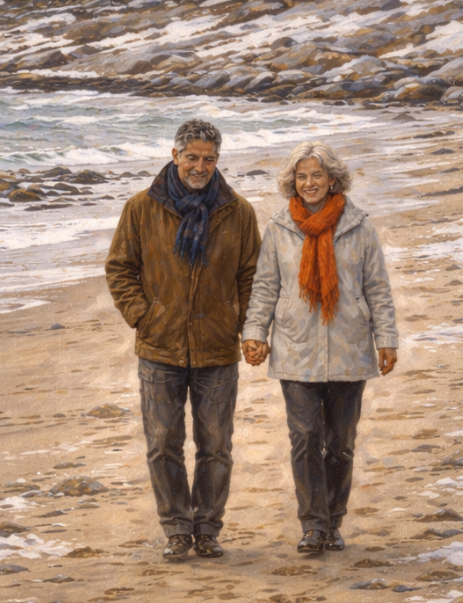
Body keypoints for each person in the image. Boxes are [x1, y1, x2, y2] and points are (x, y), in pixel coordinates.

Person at [105, 119, 261, 562]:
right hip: (159, 347)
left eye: (209, 159)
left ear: (217, 161)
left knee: (216, 446)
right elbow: (120, 268)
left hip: (216, 348)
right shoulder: (141, 208)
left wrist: (249, 329)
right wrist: (142, 315)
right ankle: (176, 529)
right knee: (162, 444)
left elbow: (252, 278)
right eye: (191, 157)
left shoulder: (238, 212)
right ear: (175, 157)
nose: (200, 167)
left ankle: (208, 529)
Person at [241, 141, 398, 554]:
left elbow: (377, 288)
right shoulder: (278, 228)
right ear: (293, 181)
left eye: (316, 175)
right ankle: (313, 525)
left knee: (341, 442)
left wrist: (387, 339)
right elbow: (265, 288)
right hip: (296, 348)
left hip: (349, 348)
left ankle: (333, 520)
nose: (309, 183)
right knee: (305, 438)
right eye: (301, 176)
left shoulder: (359, 226)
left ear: (333, 179)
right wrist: (254, 331)